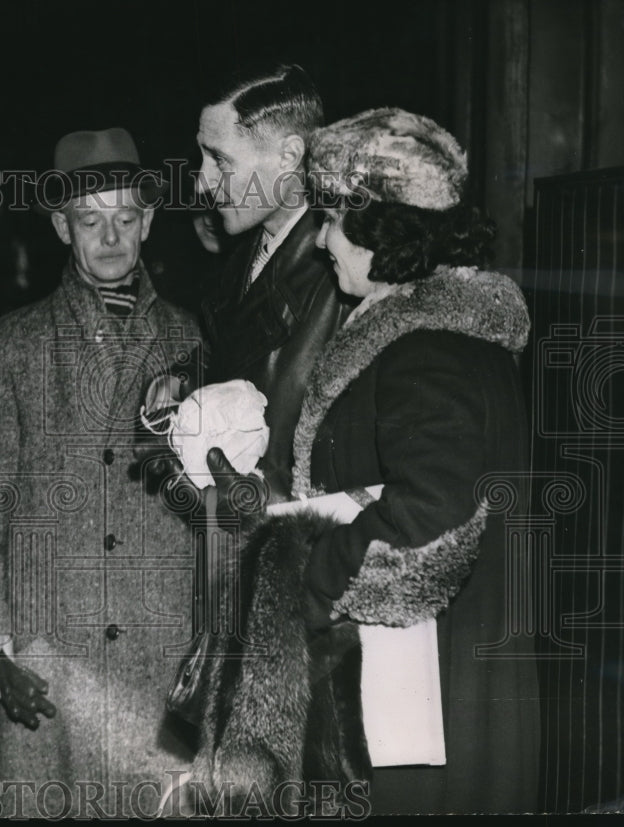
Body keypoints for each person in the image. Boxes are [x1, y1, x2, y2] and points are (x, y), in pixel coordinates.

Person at [189, 108, 539, 815]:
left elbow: (428, 521)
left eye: (334, 220)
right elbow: (373, 486)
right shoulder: (432, 337)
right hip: (433, 684)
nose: (321, 240)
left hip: (427, 703)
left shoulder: (428, 351)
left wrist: (303, 578)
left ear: (386, 232)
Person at [0, 127, 202, 817]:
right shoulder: (21, 338)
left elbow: (212, 502)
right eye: (91, 221)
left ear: (149, 221)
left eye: (127, 219)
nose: (112, 238)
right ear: (62, 227)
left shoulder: (189, 337)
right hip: (48, 646)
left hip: (158, 646)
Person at [195, 63, 352, 501]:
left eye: (220, 160)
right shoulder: (242, 255)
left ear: (288, 157)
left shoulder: (344, 284)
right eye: (202, 157)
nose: (203, 181)